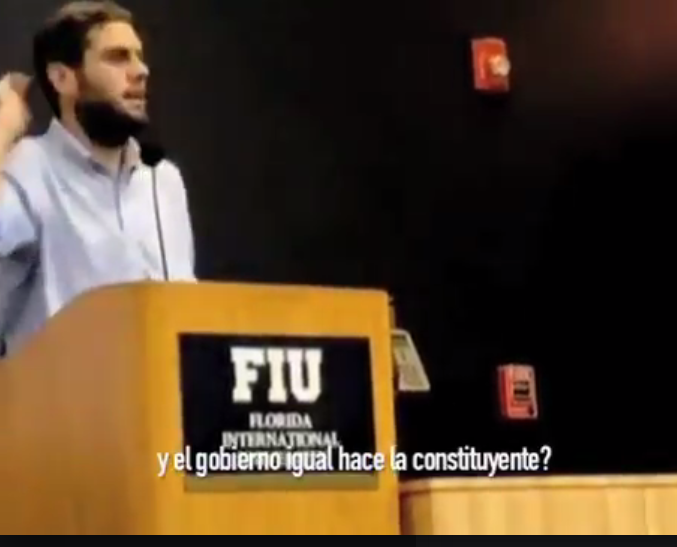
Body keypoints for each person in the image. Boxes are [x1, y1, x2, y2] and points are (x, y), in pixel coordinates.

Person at [0, 1, 196, 357]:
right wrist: (2, 128)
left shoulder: (162, 182)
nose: (141, 71)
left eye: (139, 57)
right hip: (63, 389)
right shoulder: (31, 168)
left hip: (157, 388)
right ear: (62, 78)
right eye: (117, 57)